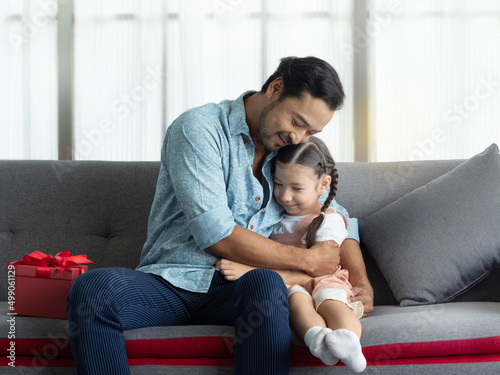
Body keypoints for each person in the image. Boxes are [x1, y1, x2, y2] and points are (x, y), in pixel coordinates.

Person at [66, 56, 373, 375]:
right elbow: (215, 232)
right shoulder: (200, 128)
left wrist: (361, 283)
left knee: (266, 283)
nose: (298, 137)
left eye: (311, 131)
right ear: (275, 88)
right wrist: (308, 261)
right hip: (170, 282)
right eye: (297, 121)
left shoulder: (288, 154)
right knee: (92, 288)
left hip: (241, 285)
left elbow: (335, 213)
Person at [217, 137, 366, 373]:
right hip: (290, 284)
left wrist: (250, 271)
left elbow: (320, 267)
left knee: (330, 301)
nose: (285, 196)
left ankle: (349, 342)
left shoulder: (329, 219)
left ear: (322, 185)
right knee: (297, 305)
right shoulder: (273, 217)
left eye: (296, 188)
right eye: (278, 184)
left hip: (324, 280)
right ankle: (318, 339)